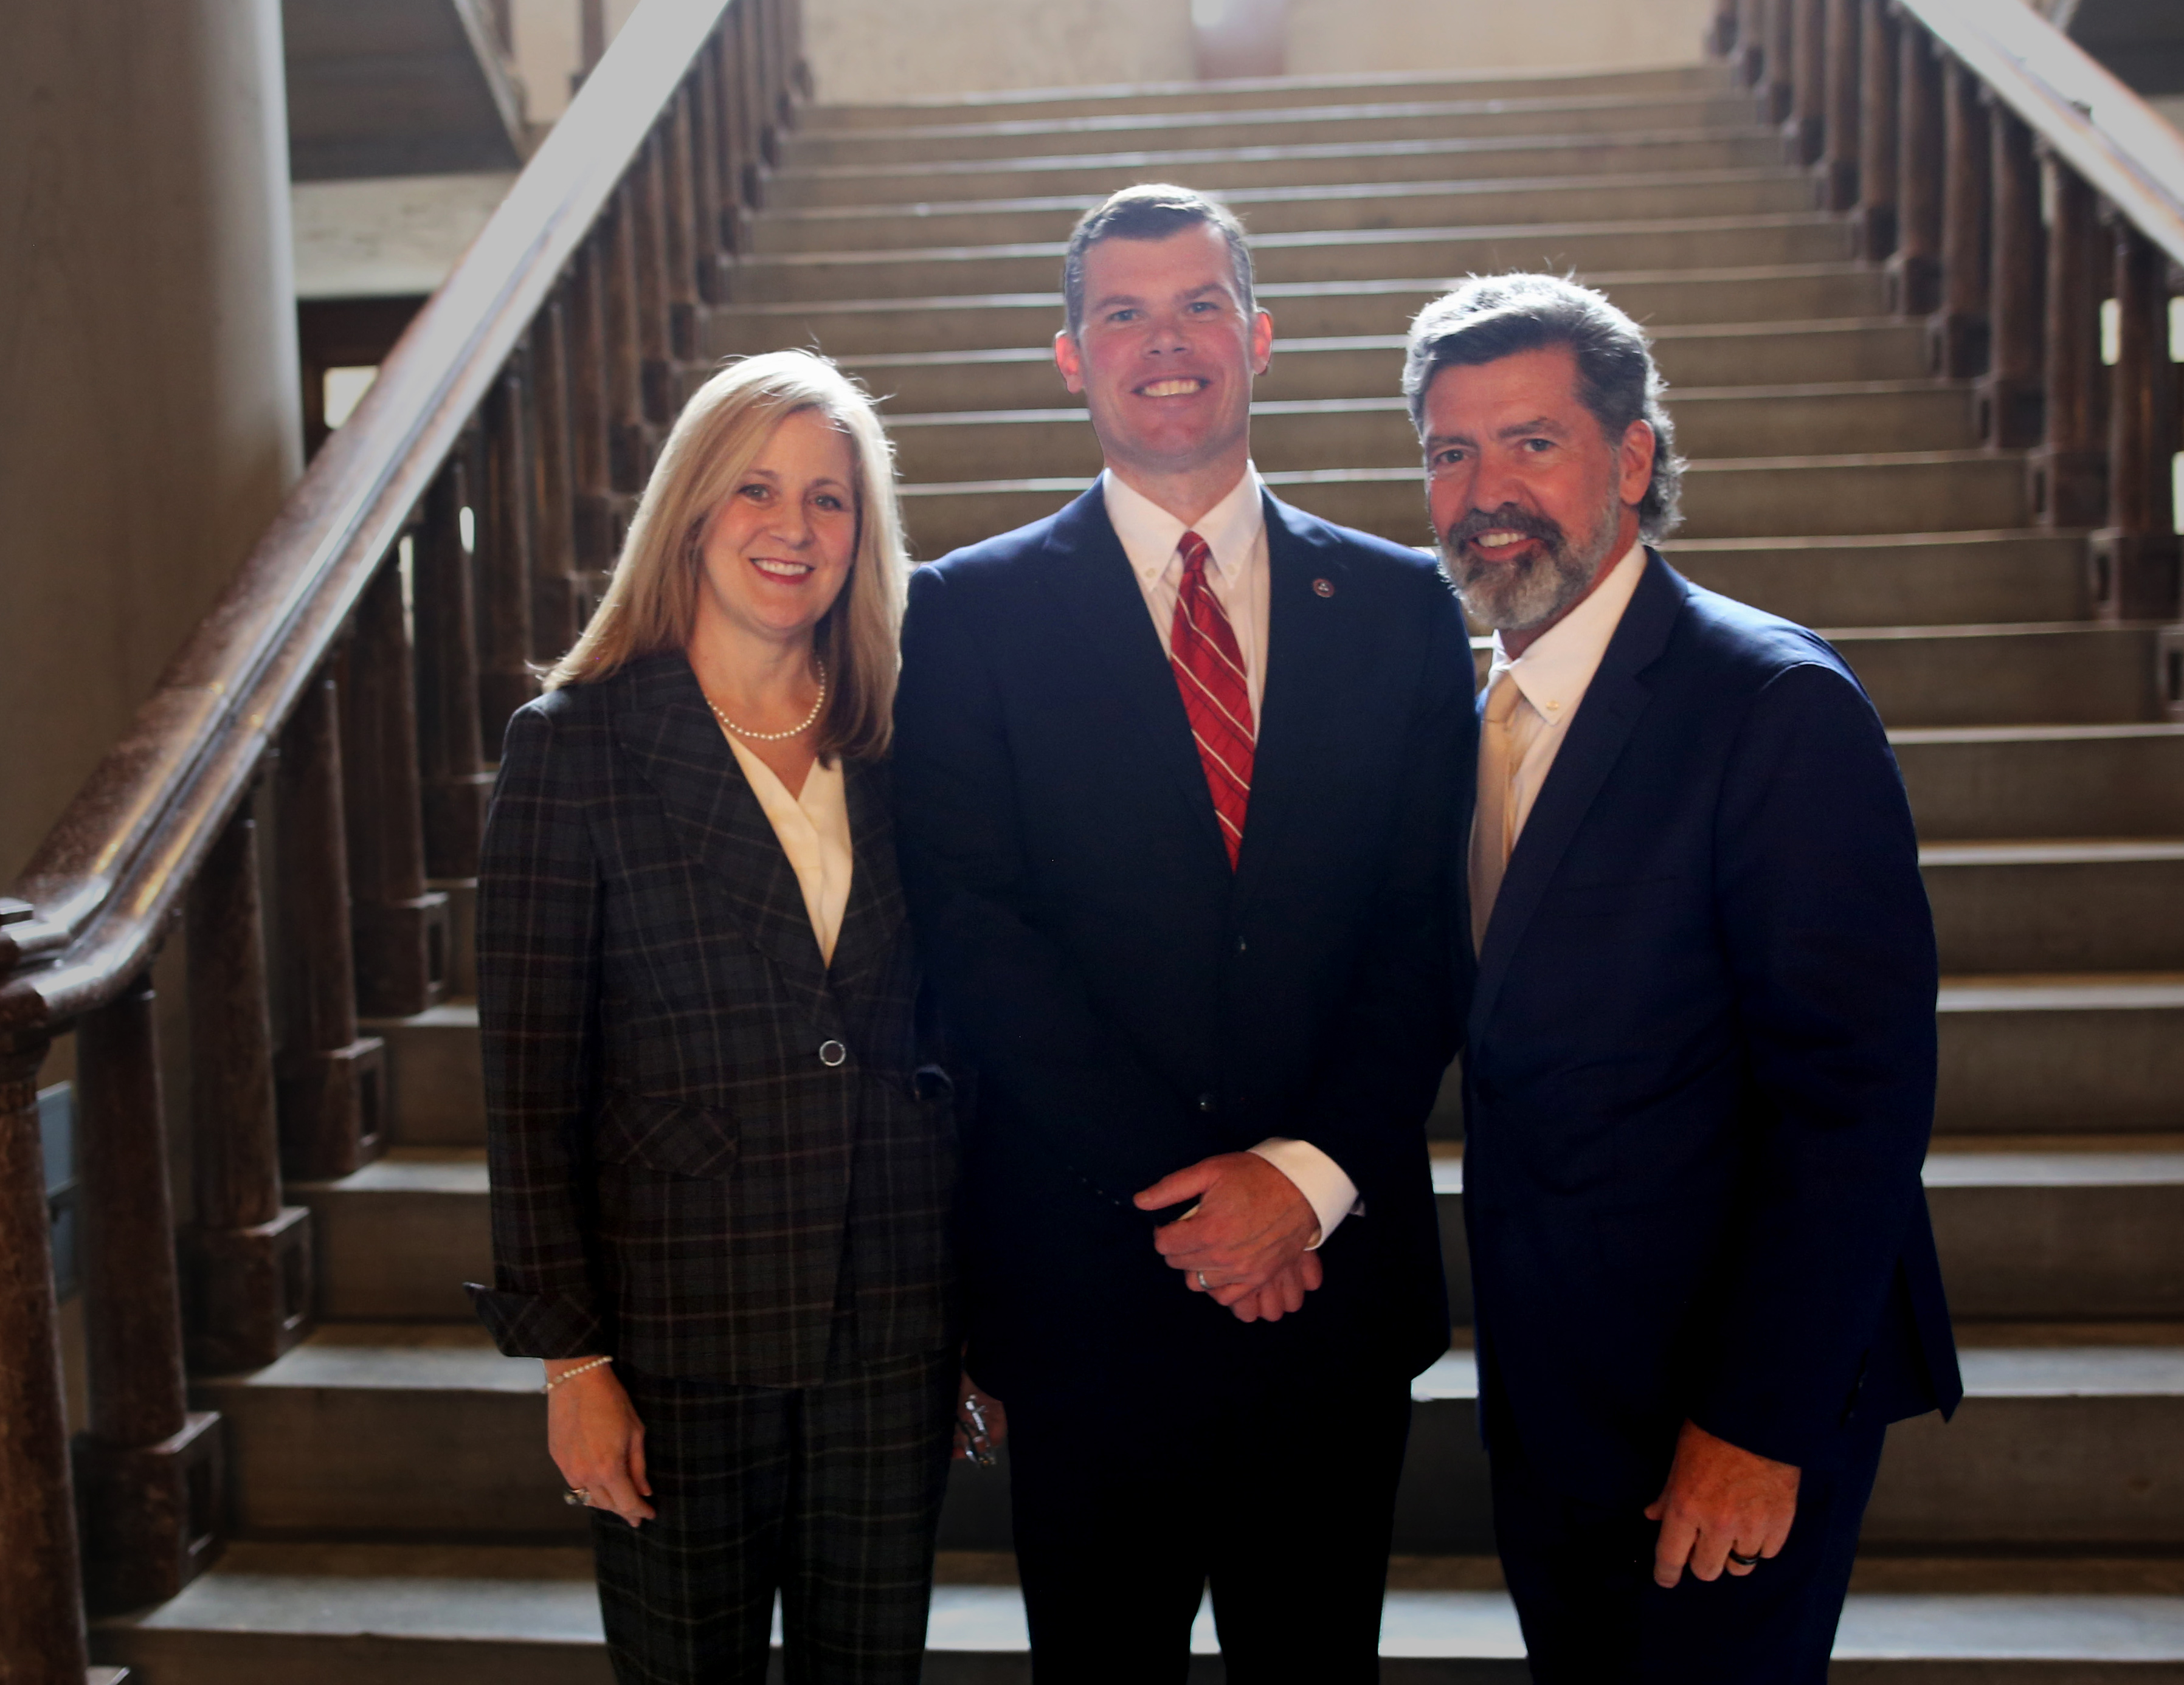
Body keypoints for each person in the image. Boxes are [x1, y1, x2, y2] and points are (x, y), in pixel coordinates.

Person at [890, 184, 1475, 1682]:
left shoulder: (1403, 604)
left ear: (1260, 336)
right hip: (1088, 1285)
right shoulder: (965, 613)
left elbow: (1427, 924)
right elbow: (974, 932)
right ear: (1070, 357)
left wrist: (1301, 1183)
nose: (1168, 341)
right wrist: (1198, 1202)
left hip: (1329, 1281)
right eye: (1125, 313)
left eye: (1201, 303)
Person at [1405, 272, 1963, 1680]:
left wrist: (1759, 1425)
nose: (1488, 492)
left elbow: (1854, 1104)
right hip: (1559, 1398)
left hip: (1727, 1411)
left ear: (1634, 459)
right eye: (1450, 452)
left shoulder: (1771, 704)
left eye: (1532, 443)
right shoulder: (1477, 715)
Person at [469, 350, 968, 1683]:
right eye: (757, 490)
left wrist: (975, 1315)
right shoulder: (573, 748)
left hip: (890, 1322)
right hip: (675, 1334)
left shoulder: (900, 739)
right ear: (691, 510)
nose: (793, 530)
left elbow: (951, 1038)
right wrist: (571, 1363)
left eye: (830, 499)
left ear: (866, 533)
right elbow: (527, 1090)